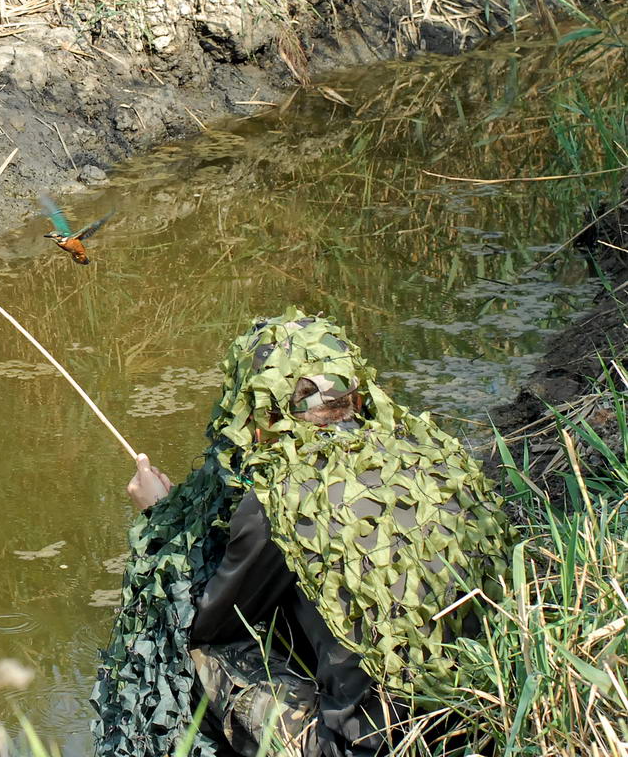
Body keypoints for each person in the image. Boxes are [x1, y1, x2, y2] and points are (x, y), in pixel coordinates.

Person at [92, 309, 512, 757]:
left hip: (372, 745)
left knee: (195, 656)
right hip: (481, 719)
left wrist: (161, 517)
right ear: (356, 392)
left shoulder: (281, 496)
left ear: (261, 410)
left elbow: (209, 623)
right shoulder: (434, 456)